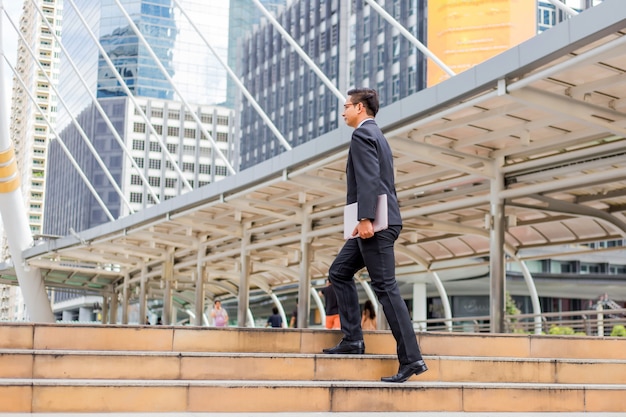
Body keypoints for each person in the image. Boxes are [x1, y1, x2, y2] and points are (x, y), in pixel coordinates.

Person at [322, 88, 427, 383]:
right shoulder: (376, 135)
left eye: (346, 106)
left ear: (359, 108)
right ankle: (353, 340)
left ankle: (412, 359)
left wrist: (366, 217)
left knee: (386, 290)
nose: (343, 112)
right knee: (339, 272)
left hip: (375, 224)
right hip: (374, 223)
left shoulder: (362, 135)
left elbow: (369, 177)